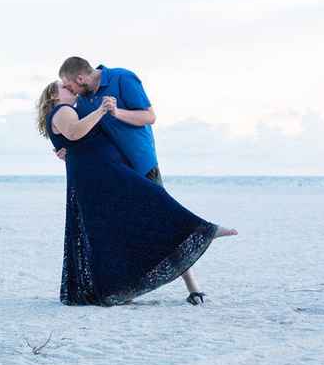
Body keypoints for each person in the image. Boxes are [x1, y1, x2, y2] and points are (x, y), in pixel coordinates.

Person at [37, 81, 237, 306]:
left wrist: (67, 148)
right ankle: (202, 230)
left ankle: (124, 287)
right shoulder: (63, 110)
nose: (70, 88)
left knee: (118, 228)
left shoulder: (73, 108)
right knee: (153, 202)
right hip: (102, 174)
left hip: (101, 173)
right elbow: (73, 133)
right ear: (54, 96)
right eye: (64, 87)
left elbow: (71, 138)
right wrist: (102, 110)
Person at [58, 56, 205, 305]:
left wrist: (116, 112)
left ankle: (194, 287)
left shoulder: (122, 78)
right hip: (113, 172)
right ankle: (126, 289)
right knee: (120, 231)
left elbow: (149, 116)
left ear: (80, 78)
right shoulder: (83, 99)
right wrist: (64, 149)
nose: (69, 89)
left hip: (141, 164)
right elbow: (81, 131)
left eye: (69, 84)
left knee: (164, 223)